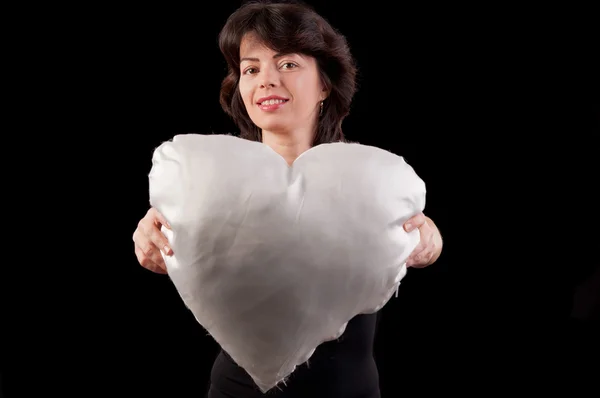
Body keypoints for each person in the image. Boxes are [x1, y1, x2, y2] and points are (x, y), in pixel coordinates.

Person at [132, 1, 443, 396]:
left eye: (288, 64)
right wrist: (149, 237)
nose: (266, 80)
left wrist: (432, 239)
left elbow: (419, 237)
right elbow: (168, 245)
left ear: (324, 84)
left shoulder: (373, 181)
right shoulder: (203, 184)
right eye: (251, 68)